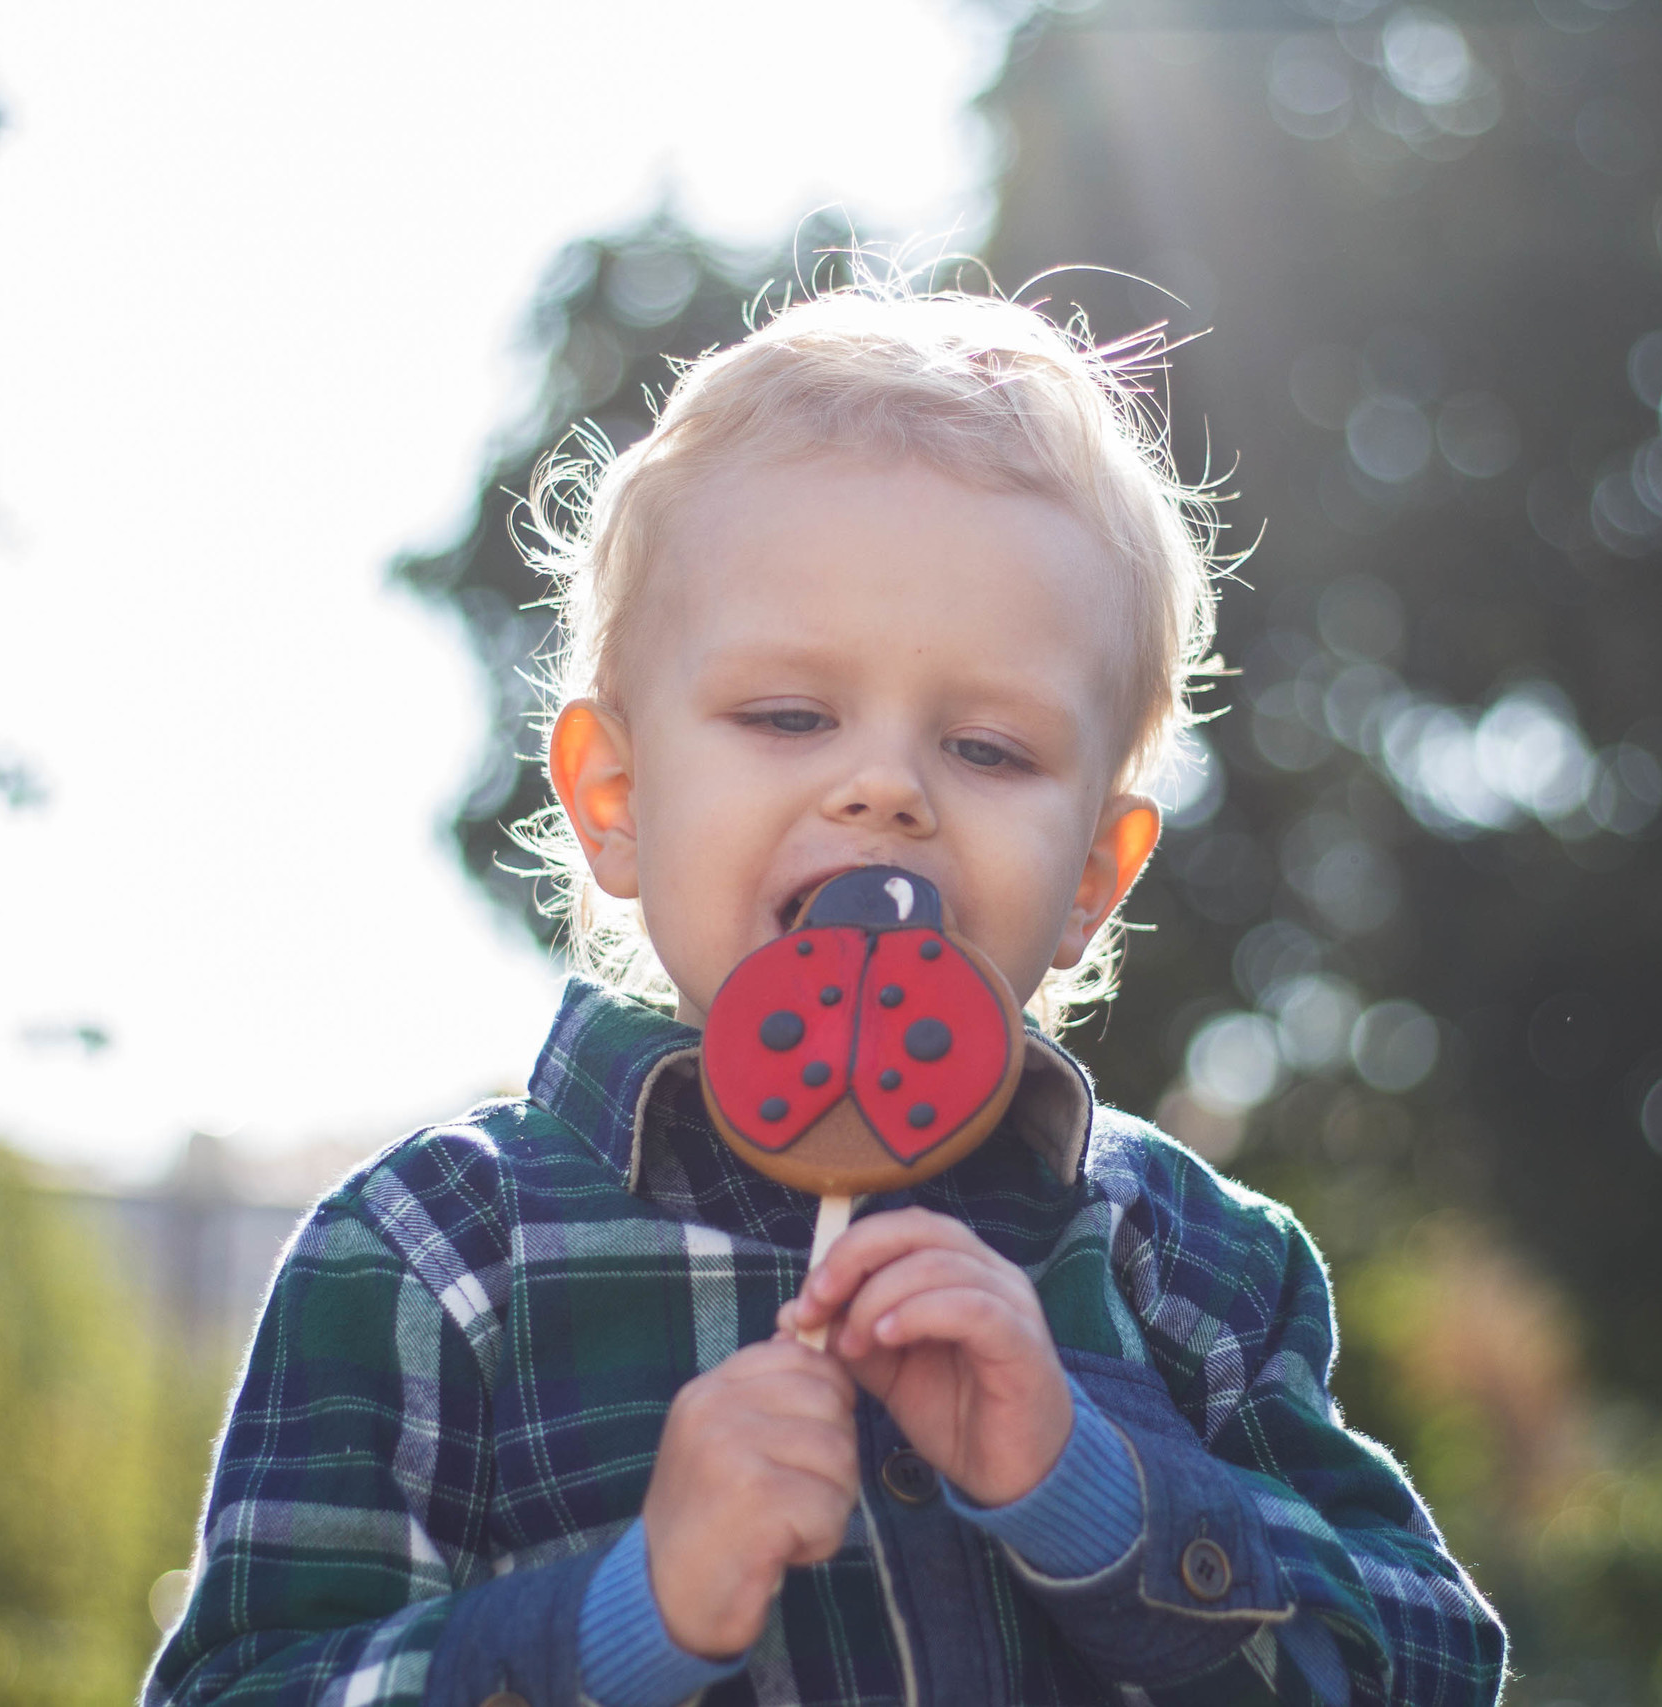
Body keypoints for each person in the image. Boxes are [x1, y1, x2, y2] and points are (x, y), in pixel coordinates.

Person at [143, 283, 1507, 1707]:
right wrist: (625, 1616)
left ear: (1097, 874)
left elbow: (1432, 1667)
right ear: (616, 798)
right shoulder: (437, 1259)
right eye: (789, 715)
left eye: (986, 747)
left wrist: (1096, 1495)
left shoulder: (1198, 1270)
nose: (885, 790)